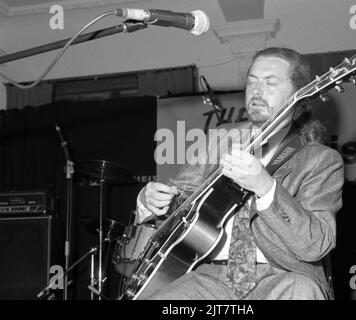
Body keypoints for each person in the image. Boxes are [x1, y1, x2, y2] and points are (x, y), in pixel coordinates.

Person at [134, 47, 344, 300]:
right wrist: (151, 203)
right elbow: (181, 203)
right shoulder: (219, 139)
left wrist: (266, 187)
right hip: (208, 279)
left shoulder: (320, 160)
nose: (256, 90)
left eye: (270, 82)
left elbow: (316, 244)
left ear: (299, 94)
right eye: (251, 81)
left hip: (282, 277)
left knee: (301, 293)